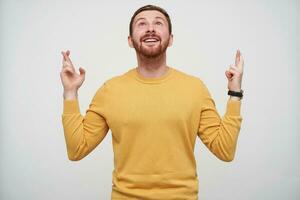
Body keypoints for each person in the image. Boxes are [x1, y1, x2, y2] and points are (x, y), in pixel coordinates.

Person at [60, 4, 244, 200]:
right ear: (130, 41)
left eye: (158, 23)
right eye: (142, 24)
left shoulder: (195, 88)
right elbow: (77, 149)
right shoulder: (110, 91)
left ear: (171, 39)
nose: (150, 28)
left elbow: (224, 150)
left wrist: (235, 93)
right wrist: (70, 93)